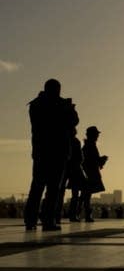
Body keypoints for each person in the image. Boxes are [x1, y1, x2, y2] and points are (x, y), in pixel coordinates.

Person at [25, 79, 79, 231]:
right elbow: (73, 121)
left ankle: (31, 219)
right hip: (56, 151)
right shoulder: (60, 105)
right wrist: (68, 108)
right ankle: (48, 220)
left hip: (42, 151)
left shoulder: (36, 104)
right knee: (53, 188)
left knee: (37, 186)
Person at [81, 126, 108, 222]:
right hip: (91, 173)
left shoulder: (88, 145)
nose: (97, 136)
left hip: (89, 172)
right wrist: (102, 160)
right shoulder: (90, 146)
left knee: (86, 194)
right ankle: (85, 214)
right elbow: (93, 161)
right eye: (96, 134)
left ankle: (83, 213)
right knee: (86, 194)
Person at [66, 134, 86, 222]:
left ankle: (57, 216)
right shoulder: (76, 141)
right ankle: (73, 214)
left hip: (68, 168)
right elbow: (80, 158)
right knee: (76, 194)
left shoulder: (65, 139)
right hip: (76, 171)